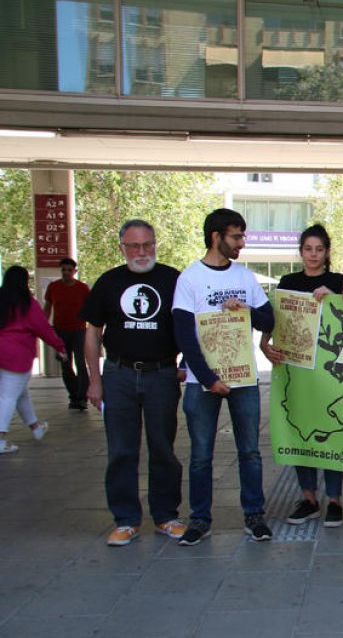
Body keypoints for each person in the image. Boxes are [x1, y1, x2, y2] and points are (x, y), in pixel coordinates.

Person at [80, 220, 187, 546]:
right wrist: (94, 381)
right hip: (119, 375)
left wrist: (186, 364)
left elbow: (191, 325)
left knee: (163, 449)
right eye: (134, 246)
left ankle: (166, 515)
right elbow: (92, 333)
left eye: (148, 244)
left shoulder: (173, 279)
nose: (142, 252)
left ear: (155, 243)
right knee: (121, 450)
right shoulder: (109, 282)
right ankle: (126, 520)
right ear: (122, 248)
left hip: (162, 375)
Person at [173, 208, 275, 546]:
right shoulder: (189, 279)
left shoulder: (245, 278)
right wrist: (207, 379)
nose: (241, 243)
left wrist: (247, 310)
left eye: (242, 236)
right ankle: (200, 519)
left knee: (250, 452)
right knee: (201, 455)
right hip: (202, 383)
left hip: (243, 380)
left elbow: (268, 319)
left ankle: (254, 515)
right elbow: (184, 336)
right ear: (216, 237)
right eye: (236, 236)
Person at [260, 224, 343, 529]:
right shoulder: (288, 281)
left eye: (319, 249)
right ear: (300, 252)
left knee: (331, 433)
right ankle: (309, 498)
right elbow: (274, 317)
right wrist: (264, 344)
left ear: (327, 252)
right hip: (295, 369)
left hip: (329, 372)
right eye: (307, 249)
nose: (313, 255)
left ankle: (335, 501)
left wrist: (338, 296)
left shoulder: (336, 281)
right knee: (301, 430)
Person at [0, 266, 64, 454]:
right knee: (8, 396)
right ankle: (1, 439)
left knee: (20, 393)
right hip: (16, 356)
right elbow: (42, 328)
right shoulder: (27, 303)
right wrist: (59, 346)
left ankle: (36, 427)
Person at [44, 257, 90, 410]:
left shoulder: (83, 288)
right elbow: (48, 306)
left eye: (69, 270)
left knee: (80, 363)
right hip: (60, 331)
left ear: (74, 271)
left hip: (78, 330)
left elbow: (90, 310)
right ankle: (74, 396)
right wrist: (43, 325)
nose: (66, 273)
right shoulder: (53, 287)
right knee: (65, 365)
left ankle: (83, 396)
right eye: (63, 270)